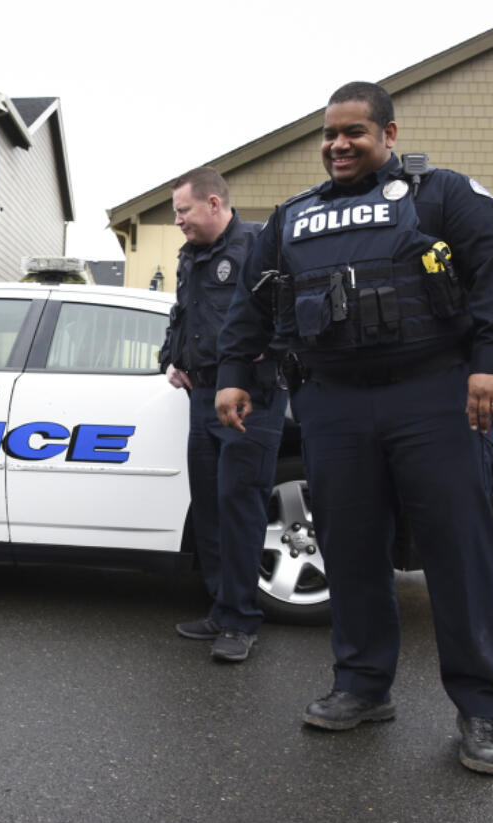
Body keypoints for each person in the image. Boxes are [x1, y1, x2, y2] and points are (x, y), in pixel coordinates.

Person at [215, 82, 493, 775]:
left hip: (436, 397)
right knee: (351, 550)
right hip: (334, 404)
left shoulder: (442, 195)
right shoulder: (293, 218)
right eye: (329, 134)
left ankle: (482, 708)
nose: (338, 144)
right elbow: (252, 303)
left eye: (354, 131)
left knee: (459, 556)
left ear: (388, 133)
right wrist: (233, 371)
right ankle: (361, 685)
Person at [162, 168, 284, 662]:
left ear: (214, 204)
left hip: (250, 398)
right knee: (210, 507)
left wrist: (266, 351)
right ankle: (220, 605)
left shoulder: (260, 246)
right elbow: (183, 315)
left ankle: (241, 621)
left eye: (183, 211)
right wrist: (170, 358)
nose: (177, 221)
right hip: (202, 395)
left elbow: (288, 313)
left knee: (240, 507)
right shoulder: (191, 256)